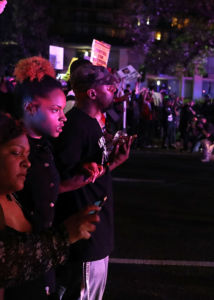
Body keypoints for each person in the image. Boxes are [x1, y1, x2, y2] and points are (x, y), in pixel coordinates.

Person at [0, 110, 100, 295]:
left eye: (28, 155)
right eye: (16, 153)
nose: (27, 163)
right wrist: (64, 236)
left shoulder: (15, 198)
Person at [53, 65, 133, 300]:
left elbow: (94, 171)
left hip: (95, 229)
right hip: (86, 235)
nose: (114, 91)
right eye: (109, 87)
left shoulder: (89, 123)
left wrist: (114, 162)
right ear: (92, 93)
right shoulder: (76, 127)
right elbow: (62, 181)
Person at [6, 56, 68, 299]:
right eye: (55, 110)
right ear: (30, 107)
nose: (63, 117)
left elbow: (44, 192)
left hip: (42, 263)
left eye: (63, 110)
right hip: (18, 272)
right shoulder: (8, 152)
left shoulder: (44, 146)